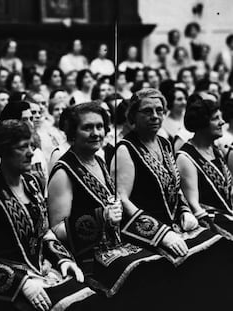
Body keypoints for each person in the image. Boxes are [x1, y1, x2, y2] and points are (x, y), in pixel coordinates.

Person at [47, 102, 177, 309]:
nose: (96, 133)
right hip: (87, 258)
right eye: (87, 128)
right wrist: (100, 218)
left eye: (100, 127)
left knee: (162, 263)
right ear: (72, 132)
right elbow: (55, 230)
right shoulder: (63, 171)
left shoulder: (98, 160)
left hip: (116, 244)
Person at [112, 88, 233, 308]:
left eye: (159, 110)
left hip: (175, 225)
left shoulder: (164, 143)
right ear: (133, 117)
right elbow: (122, 200)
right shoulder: (125, 149)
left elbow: (176, 189)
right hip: (143, 233)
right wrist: (162, 235)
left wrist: (185, 211)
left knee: (219, 249)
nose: (155, 116)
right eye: (147, 111)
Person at [0, 119, 102, 311]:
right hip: (10, 288)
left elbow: (44, 231)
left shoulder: (31, 183)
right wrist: (23, 283)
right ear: (4, 151)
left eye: (31, 145)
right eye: (23, 147)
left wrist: (63, 259)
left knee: (92, 299)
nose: (31, 152)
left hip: (44, 271)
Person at [177, 98, 233, 240]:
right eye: (216, 119)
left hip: (227, 216)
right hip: (210, 224)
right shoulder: (186, 157)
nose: (222, 122)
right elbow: (194, 205)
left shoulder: (216, 150)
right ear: (201, 123)